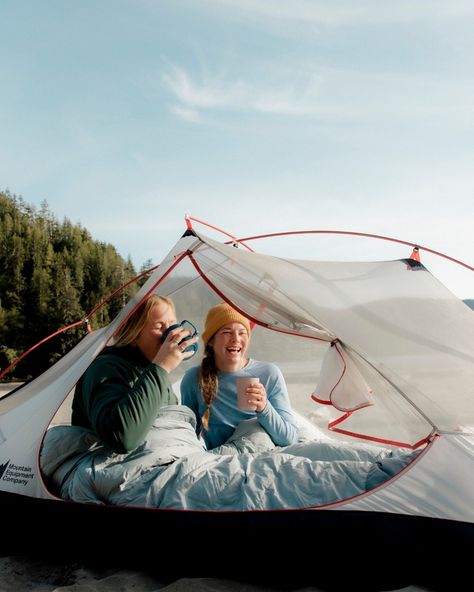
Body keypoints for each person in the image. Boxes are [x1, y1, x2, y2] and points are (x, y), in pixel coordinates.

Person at [71, 294, 198, 453]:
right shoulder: (105, 368)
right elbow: (122, 438)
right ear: (134, 335)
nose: (171, 334)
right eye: (159, 327)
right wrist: (161, 366)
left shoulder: (151, 369)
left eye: (172, 324)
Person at [180, 302, 299, 449]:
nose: (236, 339)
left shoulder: (269, 373)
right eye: (227, 332)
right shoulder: (193, 379)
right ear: (211, 340)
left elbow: (290, 439)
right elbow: (186, 436)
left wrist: (263, 407)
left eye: (242, 332)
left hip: (263, 456)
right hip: (223, 463)